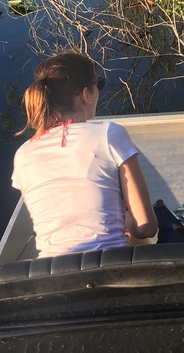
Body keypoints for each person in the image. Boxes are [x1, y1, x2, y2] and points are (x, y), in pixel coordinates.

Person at [12, 51, 158, 257]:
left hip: (50, 270)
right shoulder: (109, 134)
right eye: (99, 84)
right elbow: (146, 227)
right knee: (139, 239)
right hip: (112, 265)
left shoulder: (23, 154)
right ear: (86, 94)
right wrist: (127, 222)